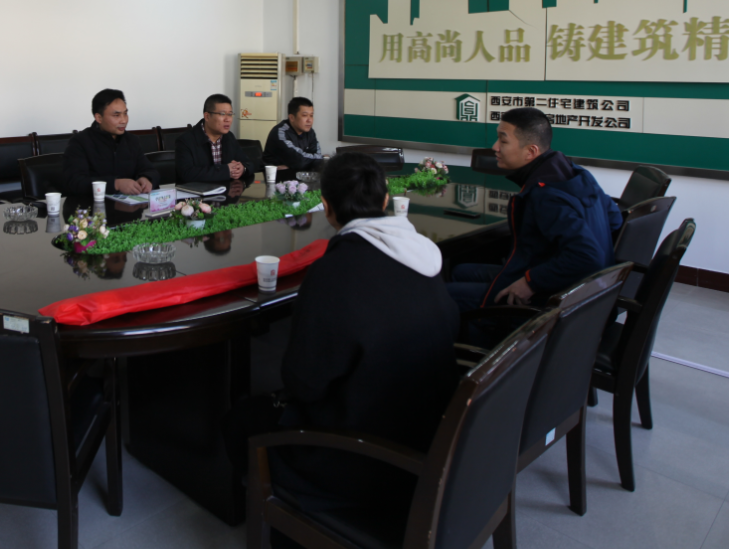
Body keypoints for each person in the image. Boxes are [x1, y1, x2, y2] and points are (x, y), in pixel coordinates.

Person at [261, 152, 460, 513]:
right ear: (386, 201)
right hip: (432, 432)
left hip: (366, 457)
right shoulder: (425, 252)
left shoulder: (333, 272)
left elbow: (303, 384)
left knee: (242, 420)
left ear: (326, 206)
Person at [445, 107, 624, 313]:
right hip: (590, 291)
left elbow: (587, 257)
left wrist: (530, 283)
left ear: (531, 151)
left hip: (554, 303)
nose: (495, 147)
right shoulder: (575, 172)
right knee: (461, 271)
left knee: (440, 295)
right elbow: (614, 219)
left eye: (503, 141)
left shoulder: (545, 194)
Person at [61, 89, 159, 198]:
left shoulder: (131, 141)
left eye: (125, 114)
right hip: (92, 205)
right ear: (99, 118)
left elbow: (149, 170)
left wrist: (146, 178)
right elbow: (75, 182)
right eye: (116, 115)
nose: (124, 120)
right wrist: (116, 184)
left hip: (129, 205)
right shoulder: (80, 142)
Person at [175, 93, 254, 184]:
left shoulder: (229, 137)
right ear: (207, 116)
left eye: (230, 114)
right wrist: (225, 170)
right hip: (198, 192)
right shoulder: (185, 140)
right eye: (222, 114)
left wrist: (243, 168)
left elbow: (249, 163)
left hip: (226, 191)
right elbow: (186, 174)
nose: (228, 119)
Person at [263, 96, 322, 172]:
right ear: (292, 118)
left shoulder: (310, 132)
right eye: (304, 115)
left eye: (311, 115)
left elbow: (318, 158)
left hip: (300, 175)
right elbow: (299, 162)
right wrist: (299, 164)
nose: (309, 120)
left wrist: (293, 165)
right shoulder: (280, 132)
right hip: (277, 176)